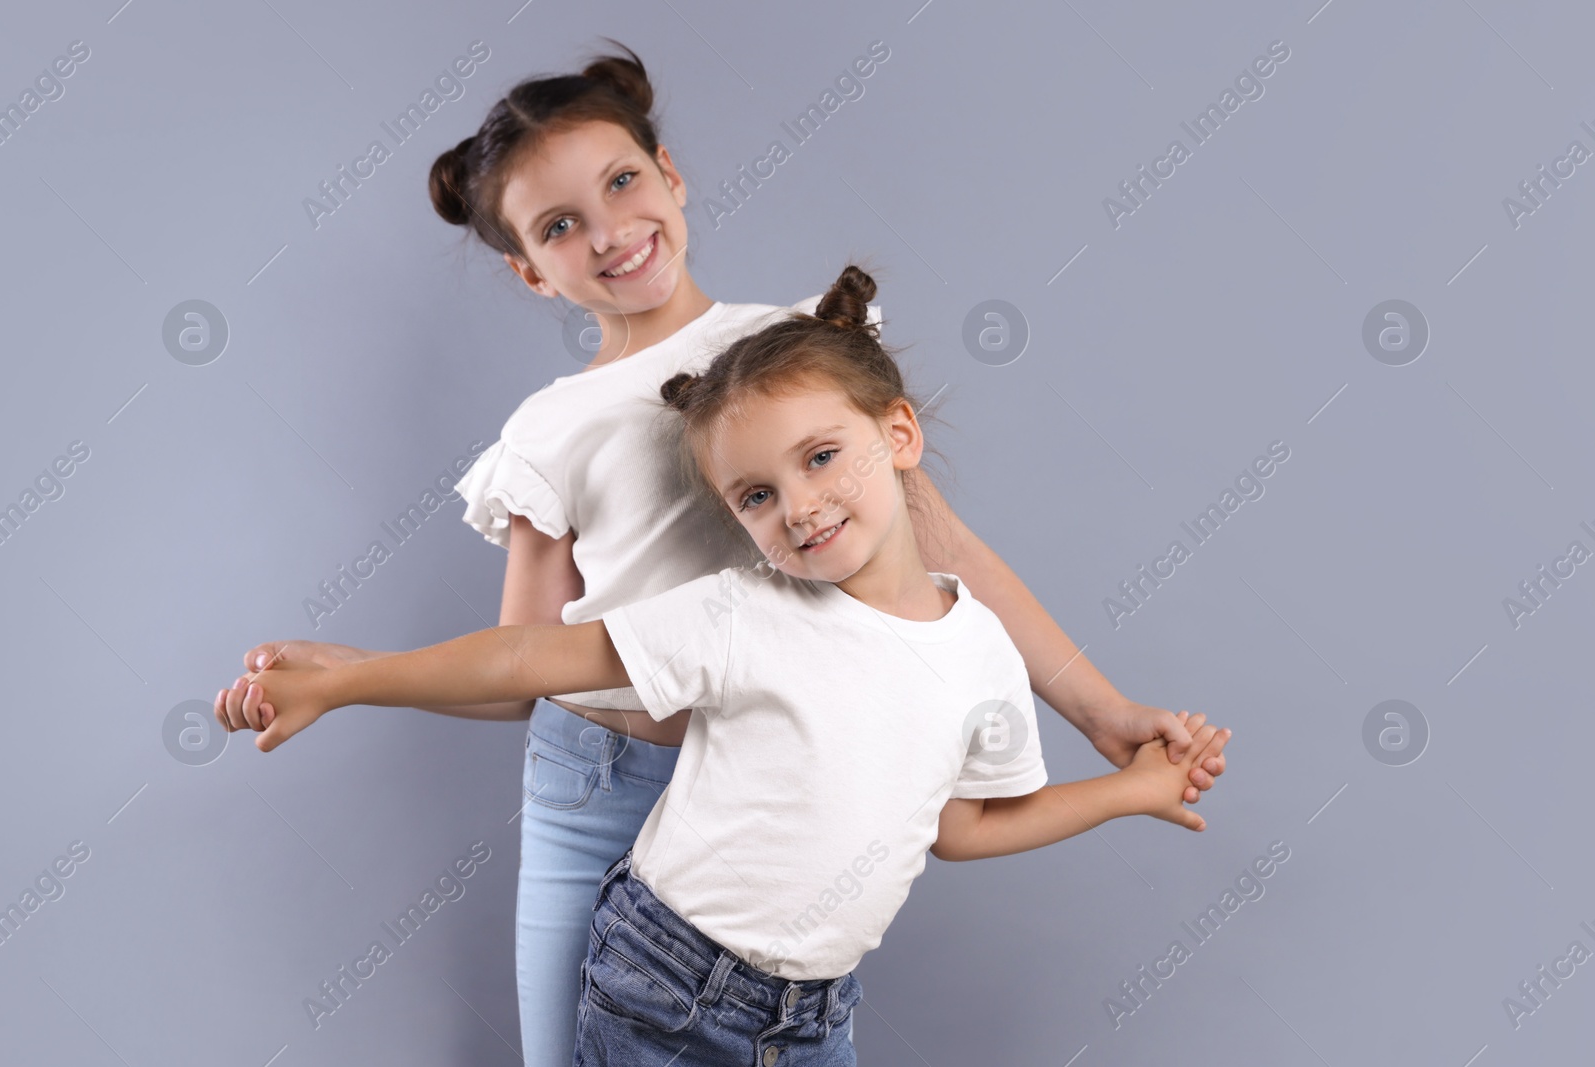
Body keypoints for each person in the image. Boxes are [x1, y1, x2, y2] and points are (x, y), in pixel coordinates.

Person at [213, 47, 1229, 1067]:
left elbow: (946, 549)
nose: (608, 233)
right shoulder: (550, 427)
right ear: (529, 268)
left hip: (772, 774)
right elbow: (519, 664)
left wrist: (1104, 713)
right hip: (603, 783)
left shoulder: (796, 345)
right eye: (558, 226)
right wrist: (350, 677)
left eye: (622, 183)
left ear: (671, 176)